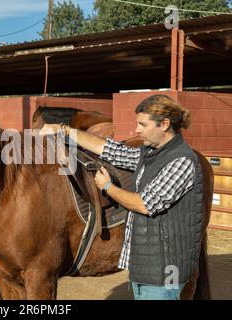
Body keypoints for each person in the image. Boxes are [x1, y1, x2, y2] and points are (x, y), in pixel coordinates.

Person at [40, 95, 204, 300]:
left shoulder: (181, 161)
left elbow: (144, 204)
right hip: (147, 266)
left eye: (143, 124)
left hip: (165, 269)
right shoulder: (150, 154)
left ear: (164, 124)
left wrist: (108, 187)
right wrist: (64, 130)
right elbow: (111, 150)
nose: (137, 130)